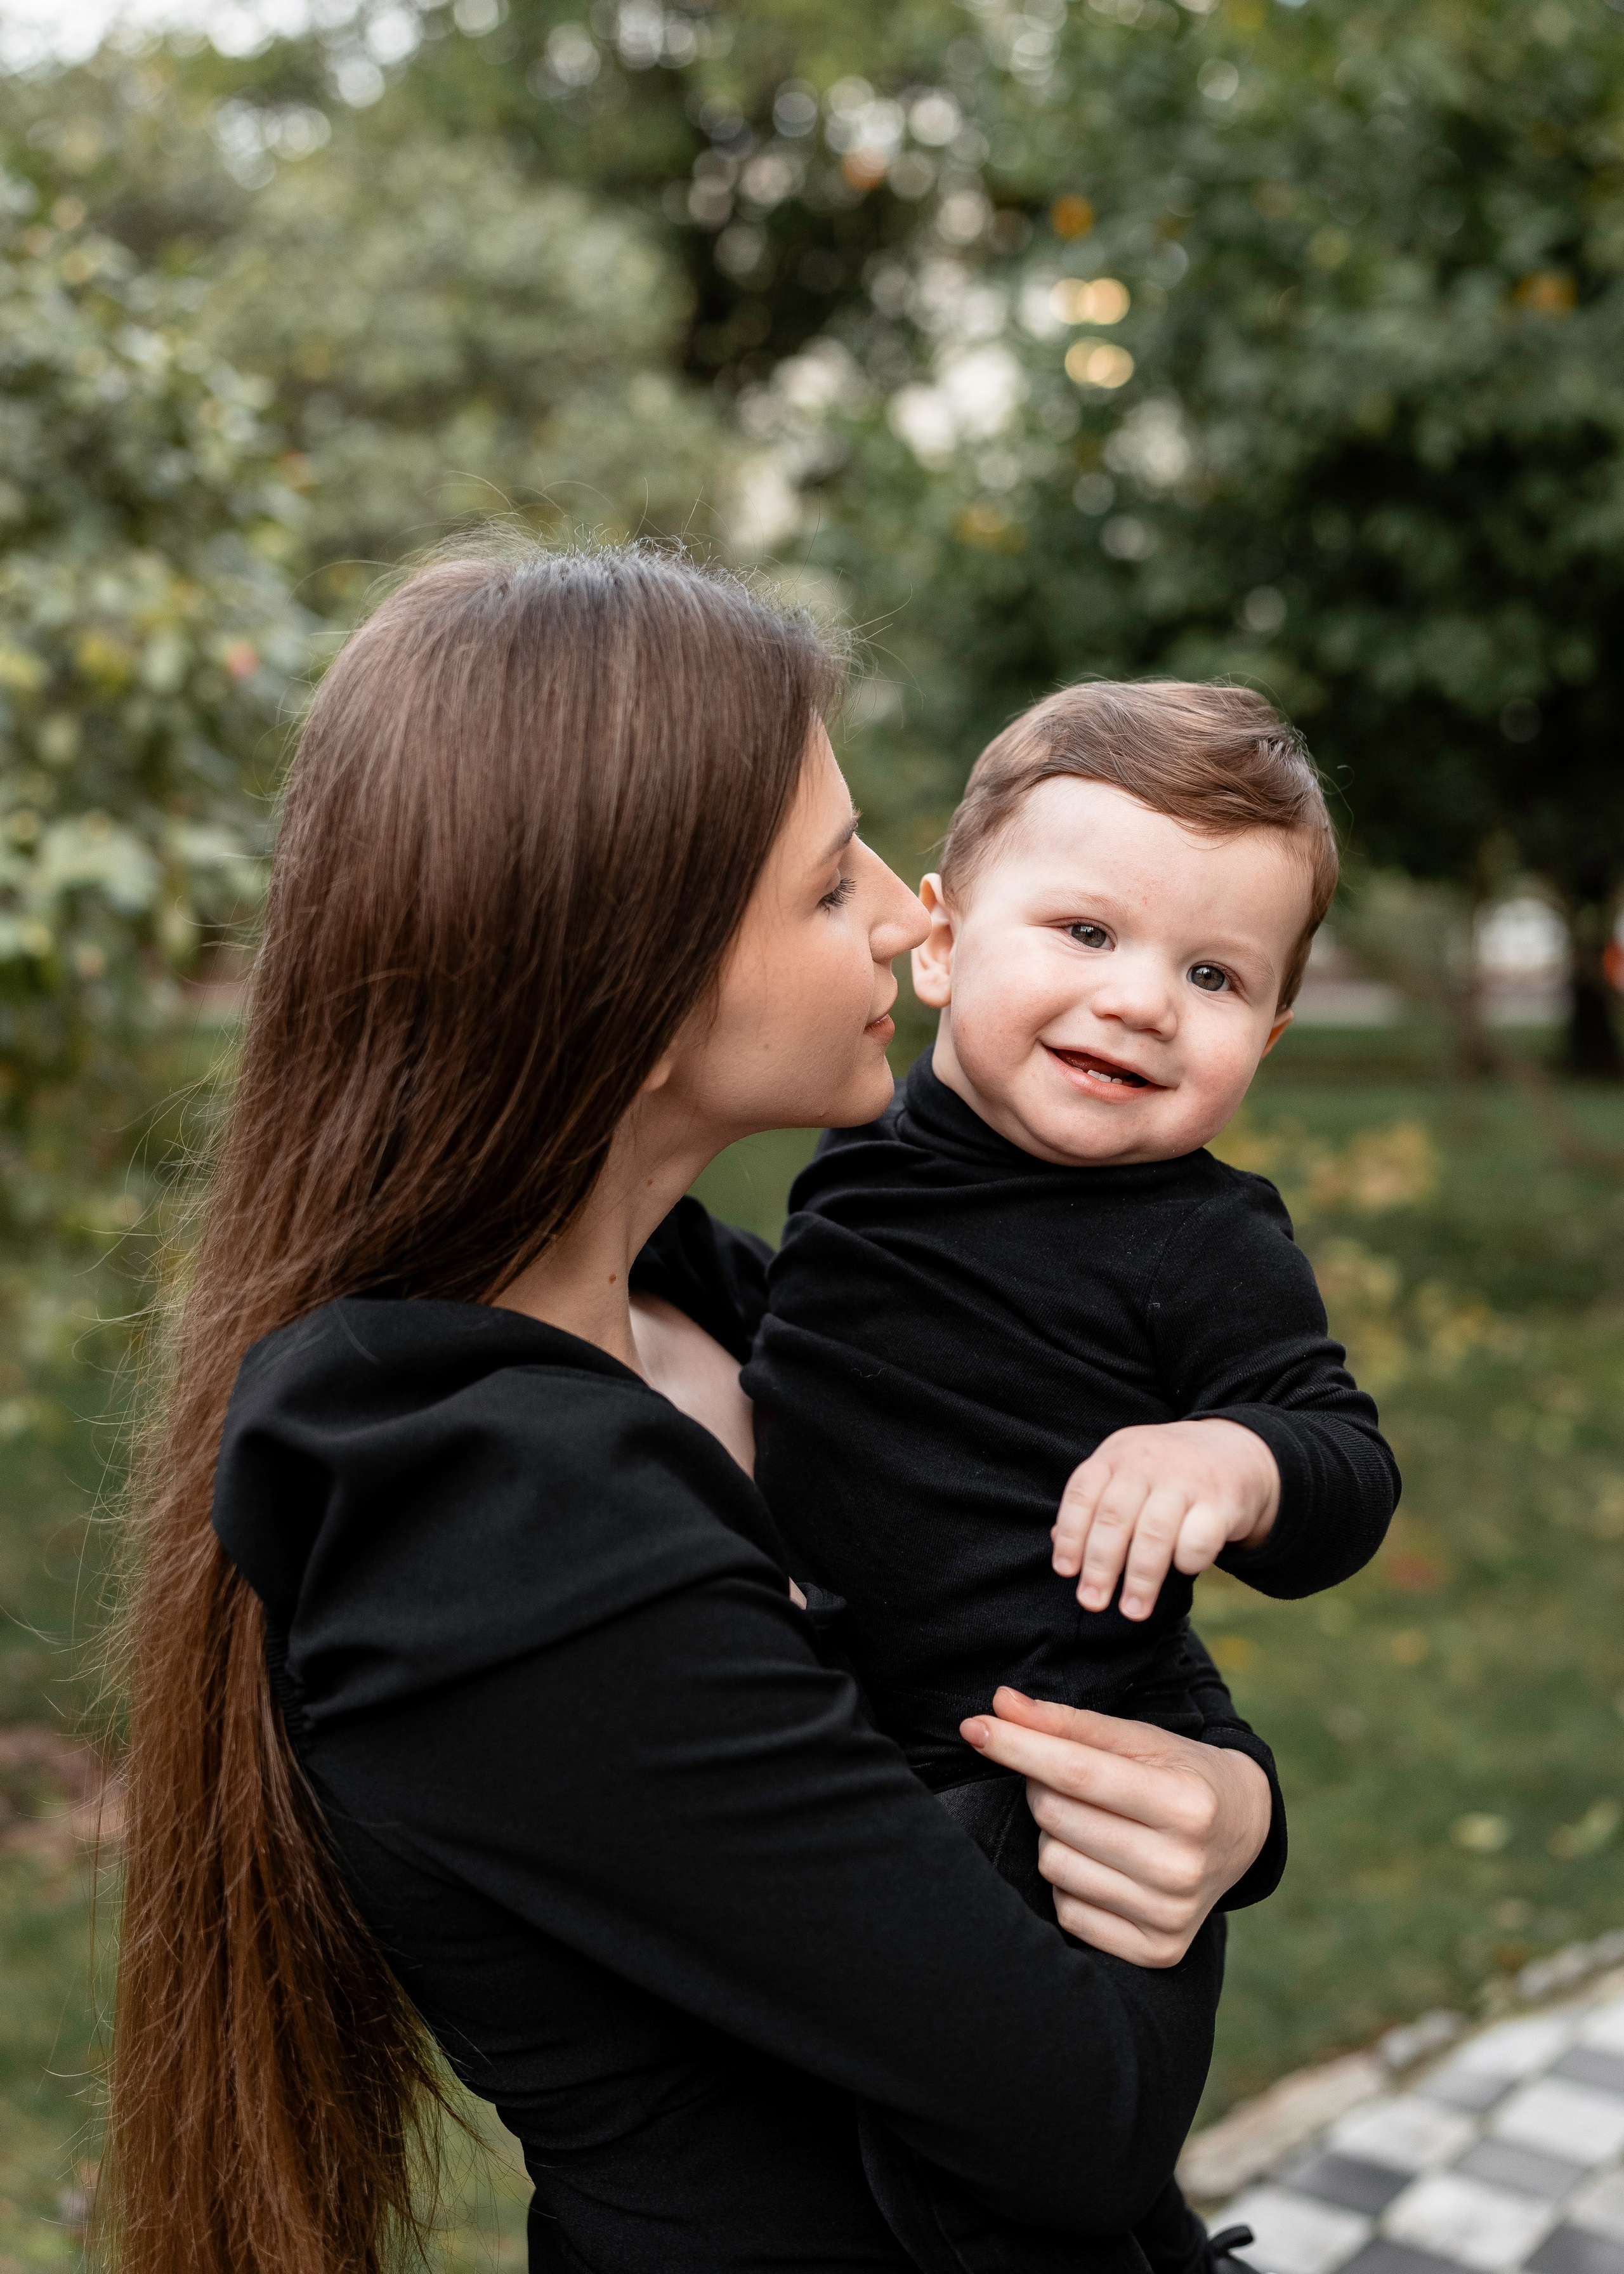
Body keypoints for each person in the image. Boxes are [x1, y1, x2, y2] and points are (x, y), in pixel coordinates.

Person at [108, 550, 1278, 2274]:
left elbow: (1046, 1649)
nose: (905, 912)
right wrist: (1147, 1829)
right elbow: (1080, 2118)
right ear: (628, 978)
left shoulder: (710, 1307)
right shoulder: (488, 1523)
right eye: (828, 886)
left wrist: (1229, 1808)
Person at [742, 683, 1403, 2260]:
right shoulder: (859, 1161)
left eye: (1212, 974)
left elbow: (1344, 1460)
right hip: (881, 1741)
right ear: (946, 937)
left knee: (1015, 2202)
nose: (1140, 1002)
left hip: (1070, 1798)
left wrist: (1234, 1454)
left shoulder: (1201, 1238)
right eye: (1086, 933)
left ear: (1269, 1031)